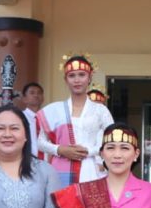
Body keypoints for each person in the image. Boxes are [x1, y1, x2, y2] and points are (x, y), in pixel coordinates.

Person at [36, 55, 113, 186]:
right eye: (72, 76)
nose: (77, 80)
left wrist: (90, 151)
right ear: (65, 80)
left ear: (89, 78)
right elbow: (40, 142)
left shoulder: (101, 111)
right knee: (60, 204)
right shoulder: (54, 109)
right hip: (60, 168)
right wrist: (60, 149)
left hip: (91, 169)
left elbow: (111, 140)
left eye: (82, 75)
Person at [21, 82, 44, 154]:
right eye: (32, 93)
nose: (36, 95)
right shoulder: (20, 118)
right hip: (26, 159)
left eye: (39, 93)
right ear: (24, 99)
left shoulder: (48, 118)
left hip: (46, 161)